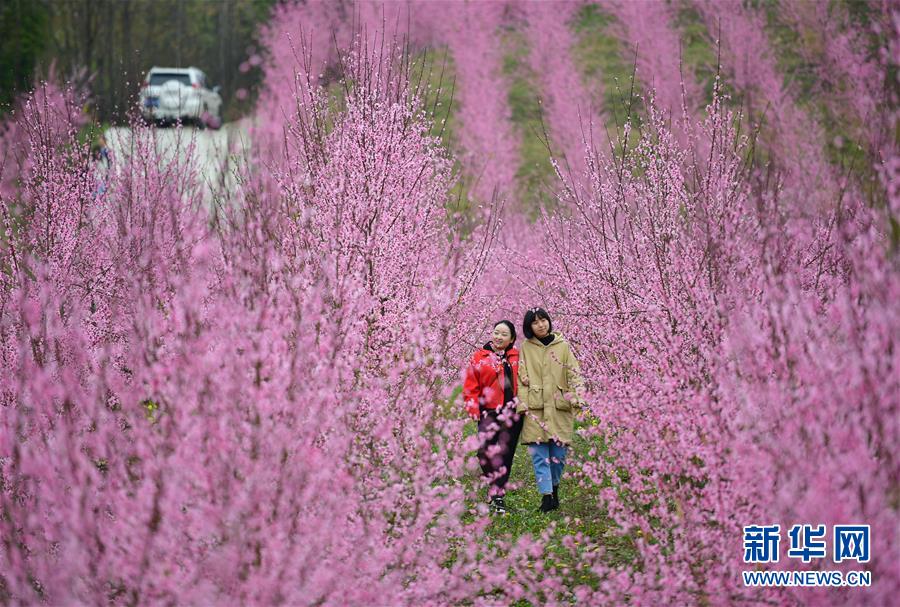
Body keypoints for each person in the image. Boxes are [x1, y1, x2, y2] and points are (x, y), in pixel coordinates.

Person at [517, 307, 583, 512]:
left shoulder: (562, 346)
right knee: (539, 456)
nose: (541, 325)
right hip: (535, 409)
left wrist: (577, 395)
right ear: (529, 327)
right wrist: (522, 404)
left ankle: (554, 489)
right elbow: (520, 377)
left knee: (558, 455)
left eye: (543, 320)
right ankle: (546, 496)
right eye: (535, 322)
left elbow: (574, 373)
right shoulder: (525, 348)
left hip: (558, 406)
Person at [462, 320, 523, 514]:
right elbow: (471, 385)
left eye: (504, 334)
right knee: (484, 452)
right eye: (496, 332)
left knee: (505, 455)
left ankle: (498, 495)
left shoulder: (518, 357)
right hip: (489, 412)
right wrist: (473, 408)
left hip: (512, 413)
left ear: (512, 339)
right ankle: (493, 483)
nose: (499, 337)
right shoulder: (480, 357)